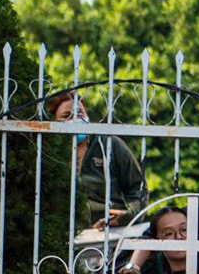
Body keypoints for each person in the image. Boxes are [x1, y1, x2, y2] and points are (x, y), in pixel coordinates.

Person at [50, 91, 148, 228]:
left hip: (108, 228)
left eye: (80, 114)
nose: (75, 120)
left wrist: (130, 215)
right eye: (67, 116)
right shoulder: (49, 151)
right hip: (63, 229)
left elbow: (137, 186)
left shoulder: (110, 144)